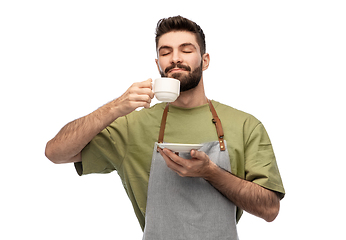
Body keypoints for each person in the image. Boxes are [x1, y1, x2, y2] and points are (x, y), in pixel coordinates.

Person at [45, 15, 285, 239]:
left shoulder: (245, 125)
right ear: (158, 62)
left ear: (205, 60)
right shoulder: (133, 125)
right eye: (166, 52)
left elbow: (269, 209)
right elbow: (56, 153)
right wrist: (115, 107)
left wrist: (210, 172)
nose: (175, 58)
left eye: (186, 49)